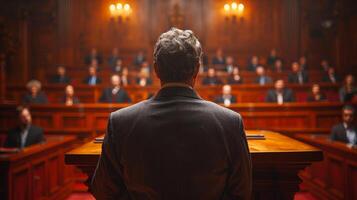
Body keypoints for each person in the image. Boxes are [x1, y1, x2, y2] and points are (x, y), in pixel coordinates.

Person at [91, 27, 252, 199]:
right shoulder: (230, 122)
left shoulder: (120, 122)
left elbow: (103, 191)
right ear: (197, 69)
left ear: (156, 69)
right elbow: (241, 192)